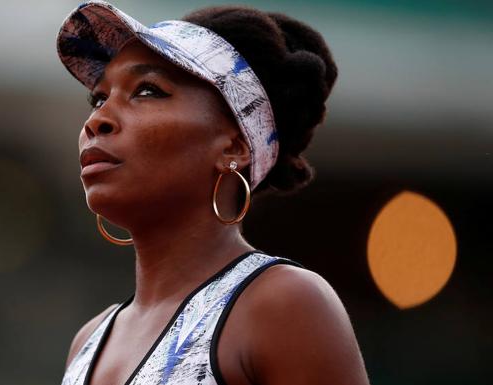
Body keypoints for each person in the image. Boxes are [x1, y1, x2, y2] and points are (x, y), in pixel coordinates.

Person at [56, 1, 370, 384]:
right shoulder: (89, 340)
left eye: (148, 90)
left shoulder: (282, 303)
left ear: (234, 147)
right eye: (99, 98)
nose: (97, 121)